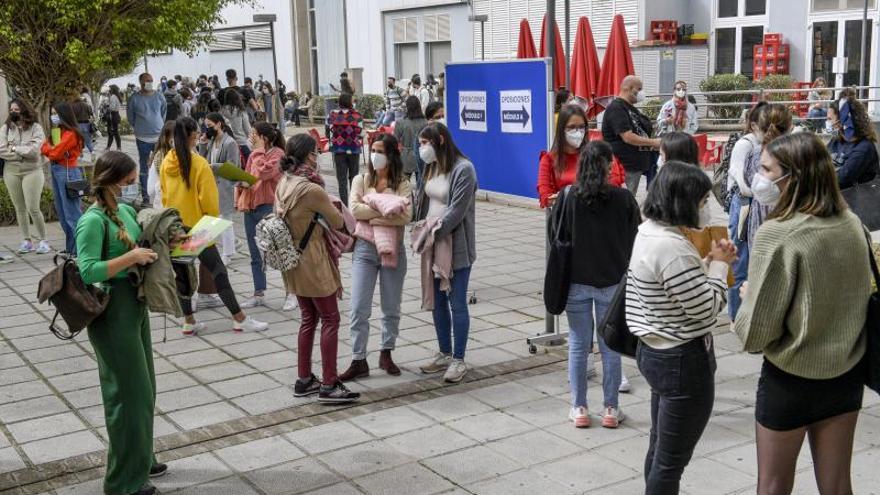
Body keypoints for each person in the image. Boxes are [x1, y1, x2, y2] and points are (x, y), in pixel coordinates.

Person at [734, 132, 871, 495]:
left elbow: (753, 336)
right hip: (845, 375)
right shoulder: (852, 224)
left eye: (765, 169)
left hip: (789, 379)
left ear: (791, 176)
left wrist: (751, 298)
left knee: (774, 486)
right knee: (838, 485)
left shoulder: (777, 234)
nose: (758, 178)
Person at [627, 161, 736, 493]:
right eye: (702, 201)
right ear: (682, 201)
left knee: (660, 451)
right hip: (681, 361)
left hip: (656, 352)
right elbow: (706, 311)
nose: (705, 208)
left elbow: (675, 287)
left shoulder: (650, 232)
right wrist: (719, 267)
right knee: (670, 462)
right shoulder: (671, 246)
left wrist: (704, 264)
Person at [75, 151, 165, 495]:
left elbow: (144, 243)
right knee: (127, 395)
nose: (133, 184)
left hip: (134, 306)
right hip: (111, 313)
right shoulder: (92, 220)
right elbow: (87, 270)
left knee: (145, 390)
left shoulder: (125, 211)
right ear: (111, 180)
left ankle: (142, 457)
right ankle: (123, 482)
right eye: (128, 180)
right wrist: (130, 257)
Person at [160, 117, 269, 335]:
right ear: (191, 135)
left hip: (174, 226)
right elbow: (209, 200)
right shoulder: (198, 163)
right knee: (219, 271)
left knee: (182, 276)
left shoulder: (166, 162)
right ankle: (239, 318)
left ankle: (188, 322)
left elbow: (164, 196)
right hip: (198, 227)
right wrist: (211, 225)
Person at [276, 133, 360, 403]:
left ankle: (304, 378)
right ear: (307, 156)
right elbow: (336, 221)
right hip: (313, 257)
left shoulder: (285, 182)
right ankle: (329, 383)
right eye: (315, 153)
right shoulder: (311, 189)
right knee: (331, 319)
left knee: (308, 318)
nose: (318, 157)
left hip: (293, 258)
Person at [564, 141, 640, 429]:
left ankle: (579, 407)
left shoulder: (570, 196)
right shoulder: (623, 198)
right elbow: (636, 238)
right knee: (610, 346)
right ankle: (611, 408)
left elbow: (557, 237)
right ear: (609, 166)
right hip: (612, 282)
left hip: (576, 281)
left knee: (577, 345)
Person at [340, 133, 412, 381]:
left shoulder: (402, 183)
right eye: (373, 149)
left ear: (391, 155)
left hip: (394, 249)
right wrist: (387, 209)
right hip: (364, 250)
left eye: (380, 150)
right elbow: (354, 210)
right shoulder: (360, 180)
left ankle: (386, 352)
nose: (375, 155)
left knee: (391, 307)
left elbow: (405, 217)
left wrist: (371, 214)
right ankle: (358, 359)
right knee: (358, 307)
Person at [414, 123, 478, 383]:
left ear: (440, 140)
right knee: (437, 302)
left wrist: (431, 233)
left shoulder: (464, 169)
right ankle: (444, 351)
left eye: (425, 143)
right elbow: (424, 199)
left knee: (457, 302)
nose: (422, 149)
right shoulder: (432, 166)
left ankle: (459, 359)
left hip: (455, 245)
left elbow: (456, 211)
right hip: (431, 244)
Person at [237, 122, 285, 308]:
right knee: (255, 254)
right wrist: (241, 184)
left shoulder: (278, 154)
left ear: (264, 137)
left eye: (254, 134)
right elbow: (250, 174)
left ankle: (291, 293)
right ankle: (259, 292)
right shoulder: (256, 153)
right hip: (251, 206)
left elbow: (264, 173)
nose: (251, 137)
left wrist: (257, 151)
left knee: (278, 250)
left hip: (268, 206)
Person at [726, 102, 766, 320]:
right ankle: (736, 315)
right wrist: (763, 192)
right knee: (740, 261)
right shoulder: (745, 144)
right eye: (765, 124)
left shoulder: (766, 145)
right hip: (743, 206)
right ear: (753, 125)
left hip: (757, 205)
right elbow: (739, 181)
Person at [1, 99, 50, 255]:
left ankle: (43, 240)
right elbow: (1, 150)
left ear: (24, 110)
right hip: (11, 172)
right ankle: (26, 240)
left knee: (33, 208)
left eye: (17, 109)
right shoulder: (6, 128)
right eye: (11, 109)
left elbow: (35, 151)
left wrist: (14, 148)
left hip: (32, 171)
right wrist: (21, 154)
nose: (14, 111)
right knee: (19, 208)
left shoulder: (36, 128)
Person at [602, 76, 661, 194]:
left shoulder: (629, 108)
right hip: (623, 167)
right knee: (623, 199)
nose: (641, 92)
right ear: (627, 88)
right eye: (639, 89)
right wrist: (653, 143)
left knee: (629, 197)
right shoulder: (616, 108)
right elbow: (627, 137)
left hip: (634, 165)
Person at [744, 103, 792, 249]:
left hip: (758, 226)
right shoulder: (796, 153)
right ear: (790, 127)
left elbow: (747, 180)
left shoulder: (754, 153)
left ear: (758, 126)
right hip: (787, 223)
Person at [41, 102, 85, 255]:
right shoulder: (57, 132)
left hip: (68, 171)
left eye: (56, 114)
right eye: (52, 113)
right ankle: (71, 247)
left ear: (64, 115)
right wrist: (50, 149)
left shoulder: (71, 134)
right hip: (57, 169)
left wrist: (49, 149)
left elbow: (53, 152)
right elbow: (45, 147)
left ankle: (81, 249)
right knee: (62, 212)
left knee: (72, 213)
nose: (53, 117)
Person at [200, 113, 241, 264]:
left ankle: (227, 253)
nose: (207, 128)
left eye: (210, 125)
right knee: (216, 218)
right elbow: (202, 159)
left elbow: (233, 166)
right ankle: (233, 242)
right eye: (206, 126)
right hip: (211, 184)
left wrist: (214, 166)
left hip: (224, 185)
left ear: (219, 124)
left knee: (225, 218)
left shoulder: (230, 143)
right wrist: (203, 144)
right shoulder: (211, 141)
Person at [127, 73, 167, 204]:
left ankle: (162, 193)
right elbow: (131, 118)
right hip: (142, 138)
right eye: (146, 81)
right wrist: (140, 127)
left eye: (151, 80)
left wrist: (158, 124)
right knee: (144, 166)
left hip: (158, 137)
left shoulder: (159, 96)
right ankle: (145, 196)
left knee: (162, 164)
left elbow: (163, 112)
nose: (149, 82)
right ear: (140, 82)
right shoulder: (134, 98)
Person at [538, 104, 588, 208]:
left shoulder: (592, 155)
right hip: (565, 217)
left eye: (581, 127)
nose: (578, 132)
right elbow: (545, 197)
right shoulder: (548, 159)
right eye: (572, 127)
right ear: (561, 129)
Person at [828, 95, 879, 189]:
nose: (828, 123)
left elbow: (841, 179)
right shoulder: (837, 139)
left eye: (830, 119)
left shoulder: (864, 148)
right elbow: (820, 161)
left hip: (854, 198)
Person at [327, 92, 364, 205]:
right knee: (354, 179)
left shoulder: (332, 114)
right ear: (349, 101)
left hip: (338, 150)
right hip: (353, 150)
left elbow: (328, 131)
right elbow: (361, 134)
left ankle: (344, 206)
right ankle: (354, 204)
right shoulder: (357, 115)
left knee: (341, 180)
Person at [393, 96, 428, 184]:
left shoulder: (401, 122)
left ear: (407, 107)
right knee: (421, 186)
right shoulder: (425, 122)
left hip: (405, 156)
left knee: (404, 186)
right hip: (422, 155)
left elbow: (394, 140)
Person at [146, 121, 176, 210]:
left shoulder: (183, 154)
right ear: (166, 137)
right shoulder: (160, 156)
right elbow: (151, 189)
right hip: (163, 203)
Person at [221, 89, 253, 163]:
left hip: (226, 144)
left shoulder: (222, 111)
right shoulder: (241, 112)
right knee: (250, 165)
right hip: (241, 143)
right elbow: (248, 130)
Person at [72, 93, 95, 161]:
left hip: (77, 125)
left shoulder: (73, 106)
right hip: (86, 125)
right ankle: (92, 152)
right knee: (88, 141)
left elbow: (72, 116)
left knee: (78, 141)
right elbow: (92, 116)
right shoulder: (87, 105)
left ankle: (80, 155)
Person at [105, 85, 124, 150]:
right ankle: (118, 147)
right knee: (115, 132)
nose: (109, 90)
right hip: (116, 115)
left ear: (112, 89)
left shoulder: (113, 96)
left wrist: (107, 107)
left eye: (110, 89)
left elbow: (112, 107)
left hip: (112, 115)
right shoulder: (117, 96)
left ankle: (109, 147)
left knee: (111, 132)